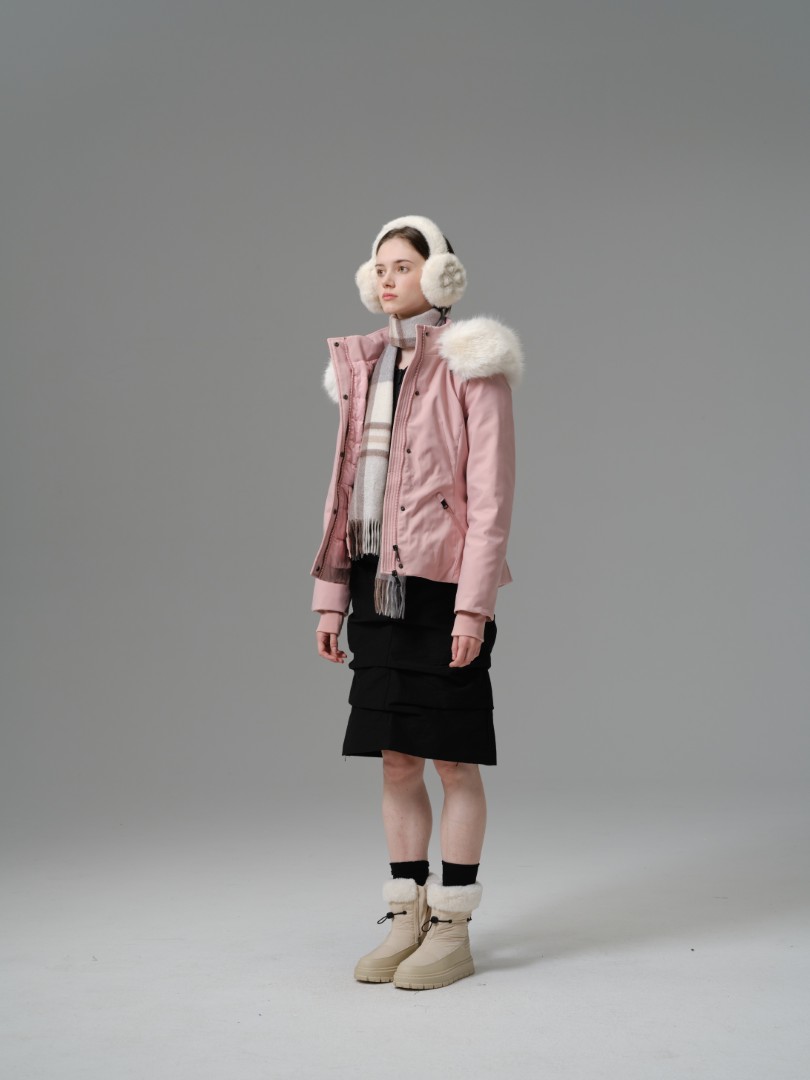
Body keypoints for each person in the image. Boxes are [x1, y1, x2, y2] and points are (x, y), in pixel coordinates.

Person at [310, 214, 522, 990]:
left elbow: (490, 499)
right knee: (397, 759)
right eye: (380, 267)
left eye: (404, 265)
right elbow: (343, 490)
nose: (388, 278)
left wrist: (473, 608)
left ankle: (453, 927)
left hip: (442, 586)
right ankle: (407, 916)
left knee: (452, 759)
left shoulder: (474, 361)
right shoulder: (361, 364)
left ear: (439, 277)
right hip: (376, 584)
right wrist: (330, 597)